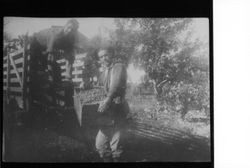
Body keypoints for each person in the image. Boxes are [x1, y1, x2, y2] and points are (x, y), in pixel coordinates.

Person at [29, 19, 79, 106]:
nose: (70, 30)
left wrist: (68, 78)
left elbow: (70, 58)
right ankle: (41, 90)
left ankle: (56, 92)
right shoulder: (55, 34)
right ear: (65, 26)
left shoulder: (71, 38)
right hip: (36, 43)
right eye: (69, 27)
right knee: (37, 69)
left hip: (45, 49)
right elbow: (50, 57)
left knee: (57, 68)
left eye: (73, 29)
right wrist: (50, 78)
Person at [95, 47, 130, 162]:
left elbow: (115, 85)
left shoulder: (118, 67)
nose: (103, 58)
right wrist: (85, 84)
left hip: (118, 110)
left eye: (106, 55)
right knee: (101, 145)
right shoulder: (105, 71)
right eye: (101, 57)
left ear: (111, 54)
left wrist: (108, 99)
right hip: (108, 112)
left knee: (116, 147)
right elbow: (99, 86)